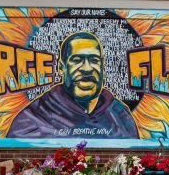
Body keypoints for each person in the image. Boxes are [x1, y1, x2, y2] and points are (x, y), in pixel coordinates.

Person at [8, 32, 138, 139]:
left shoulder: (120, 115)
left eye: (94, 60)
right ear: (61, 67)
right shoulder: (33, 117)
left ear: (103, 66)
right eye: (76, 60)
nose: (87, 69)